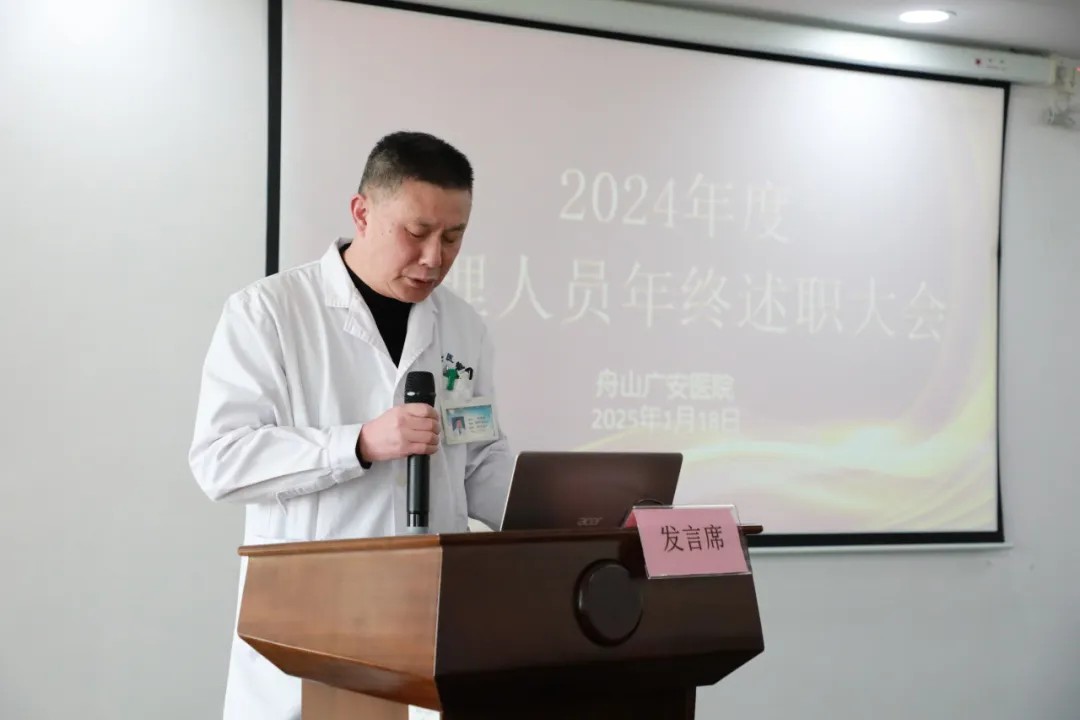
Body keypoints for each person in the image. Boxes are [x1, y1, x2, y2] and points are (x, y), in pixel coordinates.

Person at [188, 131, 513, 720]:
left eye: (453, 237)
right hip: (314, 635)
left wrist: (574, 512)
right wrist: (357, 444)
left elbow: (478, 460)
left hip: (429, 634)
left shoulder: (463, 327)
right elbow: (220, 460)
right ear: (362, 213)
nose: (434, 257)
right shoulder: (270, 312)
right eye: (416, 232)